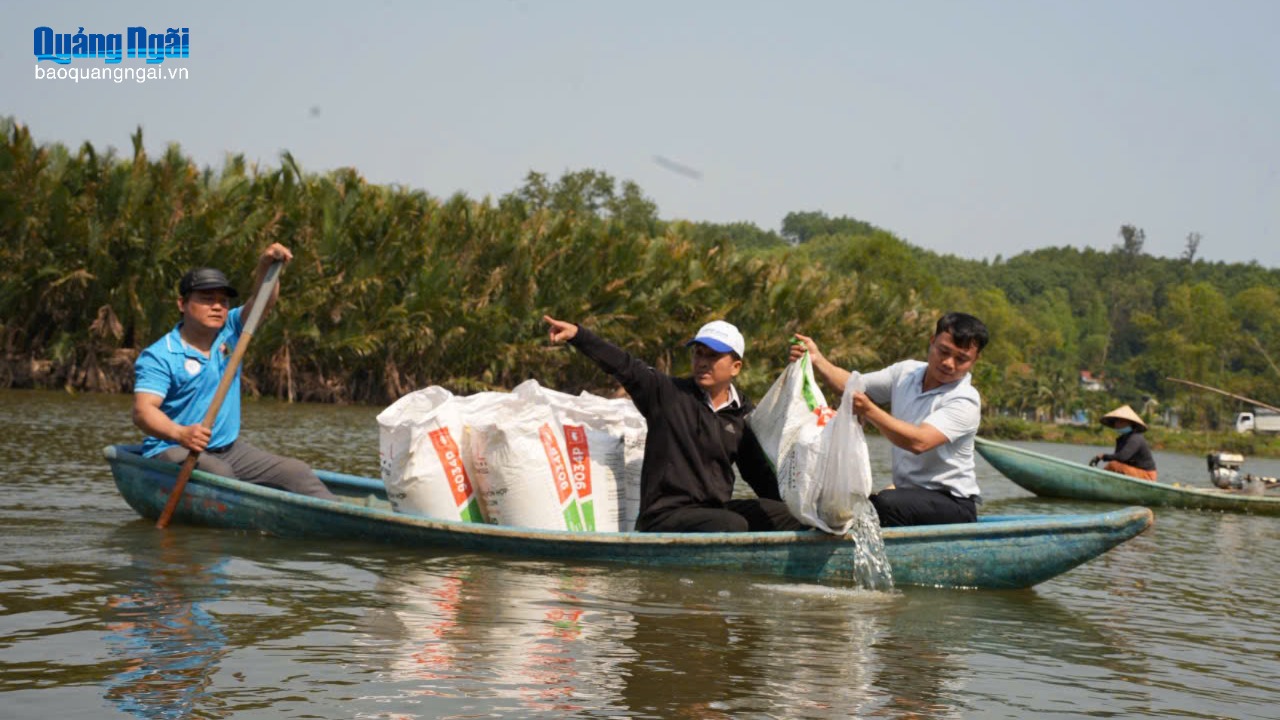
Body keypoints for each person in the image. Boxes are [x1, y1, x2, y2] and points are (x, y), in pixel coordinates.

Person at [542, 315, 806, 533]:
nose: (702, 361)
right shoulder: (667, 394)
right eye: (698, 353)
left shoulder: (742, 414)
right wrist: (579, 335)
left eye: (713, 356)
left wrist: (802, 511)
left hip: (712, 513)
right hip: (665, 516)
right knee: (731, 525)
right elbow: (624, 365)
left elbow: (758, 474)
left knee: (790, 516)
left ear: (735, 367)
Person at [132, 243, 337, 500]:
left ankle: (348, 520)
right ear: (182, 304)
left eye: (223, 301)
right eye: (207, 300)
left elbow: (263, 303)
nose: (217, 307)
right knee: (220, 474)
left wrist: (266, 266)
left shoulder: (231, 330)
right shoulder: (162, 354)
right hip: (172, 448)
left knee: (296, 472)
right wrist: (181, 433)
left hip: (227, 449)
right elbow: (143, 412)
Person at [789, 312, 990, 527]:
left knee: (884, 504)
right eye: (944, 351)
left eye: (961, 359)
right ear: (932, 342)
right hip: (909, 496)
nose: (949, 363)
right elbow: (852, 385)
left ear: (974, 360)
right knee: (837, 504)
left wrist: (869, 411)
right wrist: (817, 359)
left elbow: (919, 442)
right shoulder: (906, 372)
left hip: (953, 505)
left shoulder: (965, 399)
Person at [1089, 405, 1157, 481]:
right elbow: (1119, 459)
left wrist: (1103, 456)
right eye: (1116, 421)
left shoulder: (1135, 438)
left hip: (1146, 475)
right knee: (1113, 465)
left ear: (1129, 423)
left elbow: (1122, 456)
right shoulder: (1123, 439)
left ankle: (1097, 480)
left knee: (1113, 465)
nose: (1116, 423)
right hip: (1133, 471)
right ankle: (1096, 479)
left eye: (1120, 421)